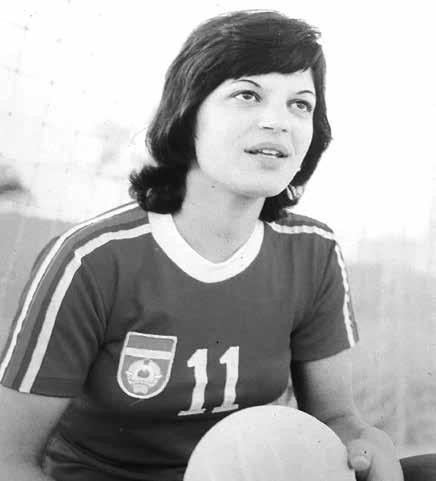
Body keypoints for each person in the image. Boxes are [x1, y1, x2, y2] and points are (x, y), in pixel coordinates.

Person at [0, 9, 433, 481]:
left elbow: (335, 418)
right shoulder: (90, 259)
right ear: (188, 114)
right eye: (248, 95)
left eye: (300, 104)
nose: (278, 121)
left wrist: (367, 445)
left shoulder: (314, 250)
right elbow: (9, 460)